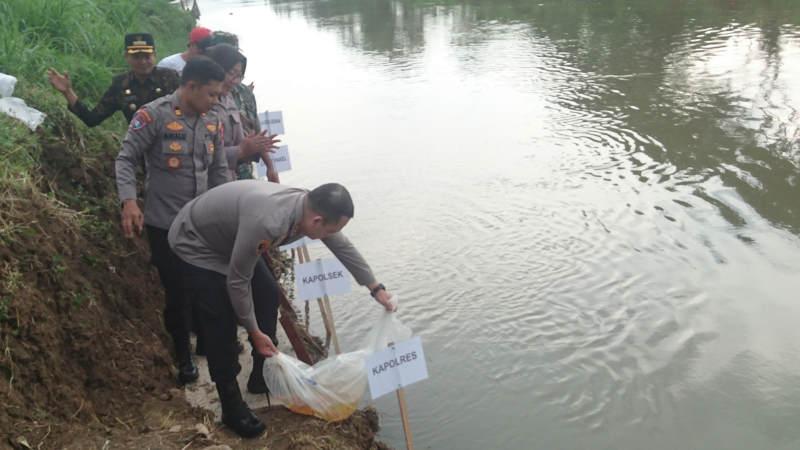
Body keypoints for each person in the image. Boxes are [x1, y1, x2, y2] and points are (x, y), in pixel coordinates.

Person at [168, 180, 395, 438]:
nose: (329, 236)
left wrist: (375, 287)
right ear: (317, 221)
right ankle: (231, 405)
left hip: (231, 237)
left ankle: (260, 374)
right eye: (329, 230)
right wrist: (253, 330)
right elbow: (238, 280)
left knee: (267, 294)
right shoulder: (269, 222)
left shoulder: (308, 210)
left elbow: (342, 246)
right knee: (220, 322)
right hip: (197, 243)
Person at [114, 56, 229, 385]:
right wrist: (129, 201)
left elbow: (219, 170)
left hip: (203, 223)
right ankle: (183, 354)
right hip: (165, 223)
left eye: (219, 96)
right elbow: (126, 159)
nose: (216, 101)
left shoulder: (213, 121)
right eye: (211, 94)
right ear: (190, 87)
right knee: (177, 292)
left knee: (209, 283)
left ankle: (207, 340)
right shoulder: (153, 115)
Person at [47, 33, 179, 126]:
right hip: (141, 149)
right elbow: (92, 119)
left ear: (155, 56)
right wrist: (67, 92)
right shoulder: (120, 85)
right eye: (137, 57)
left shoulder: (171, 78)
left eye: (147, 56)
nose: (143, 62)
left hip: (175, 144)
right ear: (127, 57)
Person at [204, 44, 280, 181]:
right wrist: (240, 150)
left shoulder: (229, 98)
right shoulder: (201, 102)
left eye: (239, 76)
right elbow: (201, 153)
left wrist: (269, 165)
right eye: (232, 74)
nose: (236, 81)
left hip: (234, 178)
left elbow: (247, 139)